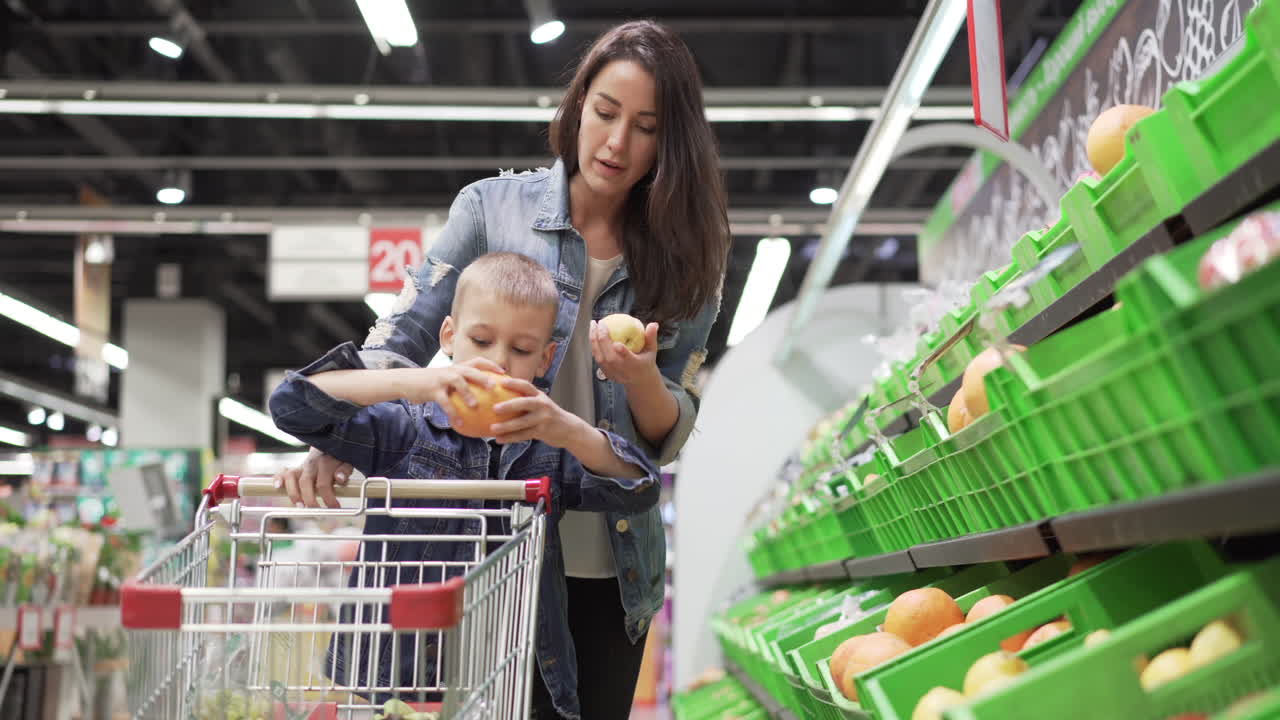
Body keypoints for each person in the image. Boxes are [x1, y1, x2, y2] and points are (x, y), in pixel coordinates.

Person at [274, 20, 730, 719]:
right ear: (578, 106)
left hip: (608, 554)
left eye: (645, 127)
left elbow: (664, 436)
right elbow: (403, 336)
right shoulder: (491, 208)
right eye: (605, 113)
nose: (615, 143)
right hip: (486, 543)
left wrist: (638, 378)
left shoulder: (690, 254)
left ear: (670, 143)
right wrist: (331, 434)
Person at [268, 252, 662, 707]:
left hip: (511, 682)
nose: (498, 363)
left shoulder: (548, 451)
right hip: (396, 680)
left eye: (520, 350)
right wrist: (414, 383)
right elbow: (291, 404)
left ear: (544, 359)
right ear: (450, 337)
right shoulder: (403, 430)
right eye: (481, 340)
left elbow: (641, 487)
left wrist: (567, 427)